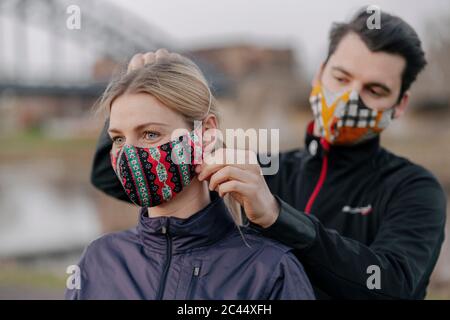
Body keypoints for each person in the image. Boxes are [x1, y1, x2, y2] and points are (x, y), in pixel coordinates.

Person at [90, 9, 447, 299]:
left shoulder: (412, 188)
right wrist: (137, 97)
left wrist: (277, 216)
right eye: (341, 78)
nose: (351, 98)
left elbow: (395, 287)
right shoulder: (269, 169)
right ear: (319, 74)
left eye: (374, 89)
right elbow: (130, 176)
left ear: (399, 105)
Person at [65, 53, 315, 300]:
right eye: (118, 138)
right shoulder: (98, 260)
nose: (129, 154)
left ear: (205, 133)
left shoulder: (269, 271)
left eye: (150, 134)